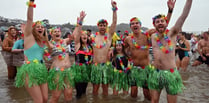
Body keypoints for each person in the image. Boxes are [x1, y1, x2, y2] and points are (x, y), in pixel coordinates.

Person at [124, 0, 176, 99]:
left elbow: (162, 26)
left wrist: (169, 11)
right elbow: (123, 49)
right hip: (134, 68)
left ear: (140, 25)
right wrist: (126, 55)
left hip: (146, 68)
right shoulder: (128, 39)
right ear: (130, 27)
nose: (135, 25)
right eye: (132, 24)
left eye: (137, 23)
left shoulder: (147, 34)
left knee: (147, 93)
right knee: (133, 93)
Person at [148, 0, 192, 103]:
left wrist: (189, 1)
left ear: (166, 23)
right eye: (157, 22)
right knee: (154, 101)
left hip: (171, 74)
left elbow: (183, 16)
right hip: (156, 73)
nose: (160, 23)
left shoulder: (172, 34)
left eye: (162, 21)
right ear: (154, 25)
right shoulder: (153, 36)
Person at [15, 0, 49, 102]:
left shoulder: (44, 42)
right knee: (39, 101)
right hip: (29, 70)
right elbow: (30, 19)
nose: (40, 28)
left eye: (42, 27)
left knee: (45, 99)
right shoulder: (29, 36)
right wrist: (31, 3)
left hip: (42, 69)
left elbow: (46, 55)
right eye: (38, 26)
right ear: (33, 29)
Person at [90, 0, 117, 96]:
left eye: (104, 25)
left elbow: (114, 23)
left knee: (105, 89)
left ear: (106, 27)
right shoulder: (93, 37)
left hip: (106, 66)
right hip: (96, 66)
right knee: (95, 90)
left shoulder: (109, 36)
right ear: (98, 26)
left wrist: (114, 10)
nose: (102, 27)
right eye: (100, 25)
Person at [72, 11, 93, 99]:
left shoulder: (90, 47)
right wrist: (81, 21)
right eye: (82, 35)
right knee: (79, 93)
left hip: (86, 71)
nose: (84, 36)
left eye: (86, 35)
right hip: (78, 72)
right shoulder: (77, 45)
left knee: (84, 91)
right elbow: (77, 33)